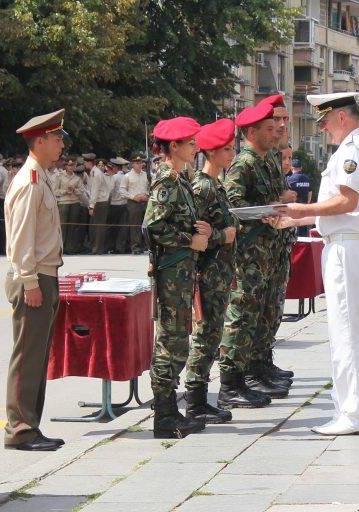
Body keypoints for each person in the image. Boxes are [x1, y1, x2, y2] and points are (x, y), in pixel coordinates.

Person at [268, 91, 359, 436]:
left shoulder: (353, 150)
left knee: (346, 333)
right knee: (342, 331)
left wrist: (301, 210)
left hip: (350, 247)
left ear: (342, 118)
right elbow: (338, 210)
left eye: (325, 122)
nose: (322, 129)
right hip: (346, 244)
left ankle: (354, 414)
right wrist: (294, 221)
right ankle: (347, 409)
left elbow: (346, 202)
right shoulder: (352, 149)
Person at [143, 116, 212, 438]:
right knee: (170, 343)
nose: (196, 147)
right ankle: (165, 416)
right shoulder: (167, 181)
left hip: (182, 272)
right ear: (174, 146)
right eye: (190, 143)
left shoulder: (181, 179)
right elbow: (153, 226)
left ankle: (170, 411)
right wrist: (189, 240)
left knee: (178, 341)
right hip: (172, 271)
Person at [3, 108, 67, 451]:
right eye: (56, 139)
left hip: (44, 275)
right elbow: (21, 237)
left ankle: (30, 425)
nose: (61, 145)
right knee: (27, 356)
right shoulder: (30, 181)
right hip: (34, 277)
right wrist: (29, 281)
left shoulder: (39, 176)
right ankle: (20, 429)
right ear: (39, 140)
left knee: (37, 355)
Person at [221, 102, 287, 404]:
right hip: (249, 253)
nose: (276, 134)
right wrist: (273, 206)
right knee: (242, 315)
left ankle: (257, 367)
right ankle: (232, 382)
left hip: (268, 251)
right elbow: (233, 206)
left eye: (276, 129)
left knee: (264, 312)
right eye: (269, 129)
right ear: (251, 132)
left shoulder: (267, 160)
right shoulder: (243, 164)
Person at [182, 118, 239, 423]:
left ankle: (200, 398)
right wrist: (223, 235)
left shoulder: (216, 184)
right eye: (226, 149)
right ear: (212, 152)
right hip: (208, 273)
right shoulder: (202, 187)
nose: (232, 154)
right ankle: (195, 402)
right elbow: (197, 234)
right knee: (205, 336)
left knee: (212, 335)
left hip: (220, 272)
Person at [251, 94, 296, 391]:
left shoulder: (273, 158)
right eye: (274, 121)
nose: (280, 126)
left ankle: (263, 362)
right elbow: (244, 205)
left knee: (271, 310)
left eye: (283, 120)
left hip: (276, 247)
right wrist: (278, 201)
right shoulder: (255, 160)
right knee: (251, 314)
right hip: (257, 250)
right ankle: (249, 372)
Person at [54, 156, 85, 254]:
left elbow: (81, 191)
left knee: (73, 226)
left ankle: (70, 247)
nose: (70, 167)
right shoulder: (60, 176)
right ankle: (60, 247)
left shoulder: (77, 178)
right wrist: (65, 191)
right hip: (63, 202)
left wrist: (74, 190)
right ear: (65, 166)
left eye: (72, 165)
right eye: (68, 165)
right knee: (62, 226)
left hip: (74, 202)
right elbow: (55, 191)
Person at [120, 153, 150, 254]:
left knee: (146, 225)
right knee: (135, 226)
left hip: (145, 202)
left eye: (140, 163)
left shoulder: (147, 175)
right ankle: (135, 247)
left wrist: (147, 195)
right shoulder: (127, 176)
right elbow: (122, 191)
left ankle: (146, 245)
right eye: (137, 163)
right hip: (133, 202)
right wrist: (133, 197)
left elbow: (151, 187)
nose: (139, 165)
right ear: (132, 164)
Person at [86, 153, 110, 254]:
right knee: (95, 226)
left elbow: (95, 191)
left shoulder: (96, 174)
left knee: (99, 226)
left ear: (89, 162)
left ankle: (97, 248)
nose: (84, 163)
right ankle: (95, 247)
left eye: (85, 162)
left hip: (100, 202)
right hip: (99, 202)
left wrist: (91, 206)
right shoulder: (94, 172)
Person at [106, 157, 129, 254]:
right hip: (124, 203)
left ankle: (112, 247)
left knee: (112, 227)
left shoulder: (114, 177)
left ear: (115, 168)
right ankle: (121, 247)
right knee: (122, 227)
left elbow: (110, 191)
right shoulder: (126, 176)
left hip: (114, 204)